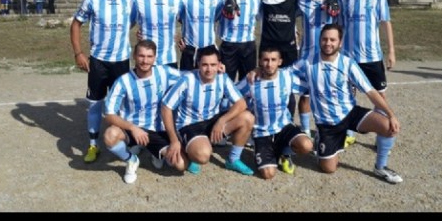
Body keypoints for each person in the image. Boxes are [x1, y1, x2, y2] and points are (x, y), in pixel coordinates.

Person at [295, 23, 403, 184]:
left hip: (350, 114)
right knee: (329, 169)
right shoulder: (308, 62)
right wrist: (258, 72)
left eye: (332, 39)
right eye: (324, 39)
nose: (328, 43)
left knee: (388, 126)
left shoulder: (347, 63)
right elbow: (283, 75)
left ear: (340, 42)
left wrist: (391, 114)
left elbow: (370, 91)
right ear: (319, 40)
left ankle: (381, 167)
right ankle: (321, 141)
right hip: (328, 124)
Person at [70, 0, 138, 164]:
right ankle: (93, 145)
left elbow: (132, 22)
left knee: (124, 105)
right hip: (98, 61)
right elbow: (76, 24)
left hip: (121, 61)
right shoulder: (93, 0)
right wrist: (78, 53)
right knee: (95, 104)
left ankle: (125, 141)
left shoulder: (130, 1)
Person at [229, 0, 311, 118]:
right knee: (261, 86)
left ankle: (287, 123)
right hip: (267, 50)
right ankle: (261, 120)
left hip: (289, 50)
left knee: (287, 89)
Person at [161, 46, 255, 176]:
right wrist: (173, 140)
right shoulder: (187, 80)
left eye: (213, 65)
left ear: (219, 65)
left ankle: (233, 159)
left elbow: (241, 103)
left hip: (212, 121)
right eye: (205, 65)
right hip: (189, 126)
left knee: (247, 118)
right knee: (202, 155)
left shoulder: (222, 78)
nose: (209, 69)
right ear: (198, 64)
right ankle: (189, 149)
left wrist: (222, 121)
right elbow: (166, 107)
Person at [103, 40, 186, 184]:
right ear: (134, 56)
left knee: (180, 164)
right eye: (141, 56)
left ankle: (154, 152)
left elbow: (189, 77)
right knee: (110, 135)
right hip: (134, 128)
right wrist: (132, 128)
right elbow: (109, 114)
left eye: (149, 56)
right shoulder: (124, 81)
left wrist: (216, 69)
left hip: (158, 129)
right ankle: (132, 160)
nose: (145, 60)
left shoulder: (164, 72)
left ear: (155, 58)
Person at [338, 0, 396, 148]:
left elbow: (386, 23)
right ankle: (348, 134)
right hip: (348, 58)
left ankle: (381, 135)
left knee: (380, 98)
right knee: (346, 97)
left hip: (372, 57)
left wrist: (391, 51)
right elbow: (339, 28)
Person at [237, 47, 312, 179]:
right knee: (268, 174)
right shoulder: (251, 80)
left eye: (273, 60)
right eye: (266, 60)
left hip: (284, 127)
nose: (269, 64)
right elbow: (232, 93)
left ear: (280, 61)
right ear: (260, 61)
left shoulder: (287, 77)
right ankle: (260, 148)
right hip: (261, 132)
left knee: (307, 145)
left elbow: (308, 88)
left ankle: (285, 153)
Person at [296, 0, 338, 138]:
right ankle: (305, 130)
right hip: (307, 55)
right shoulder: (303, 0)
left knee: (325, 95)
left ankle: (323, 130)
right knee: (305, 95)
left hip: (326, 56)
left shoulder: (333, 1)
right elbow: (289, 14)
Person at [177, 0, 226, 71]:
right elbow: (177, 17)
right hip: (189, 50)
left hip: (209, 51)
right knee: (188, 86)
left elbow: (217, 17)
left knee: (208, 87)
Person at [218, 0, 261, 82]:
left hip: (248, 46)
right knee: (225, 82)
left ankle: (244, 101)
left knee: (247, 83)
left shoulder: (257, 1)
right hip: (228, 46)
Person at [136, 0, 181, 68]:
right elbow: (128, 23)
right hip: (147, 60)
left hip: (169, 58)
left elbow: (187, 20)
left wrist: (182, 37)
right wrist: (138, 34)